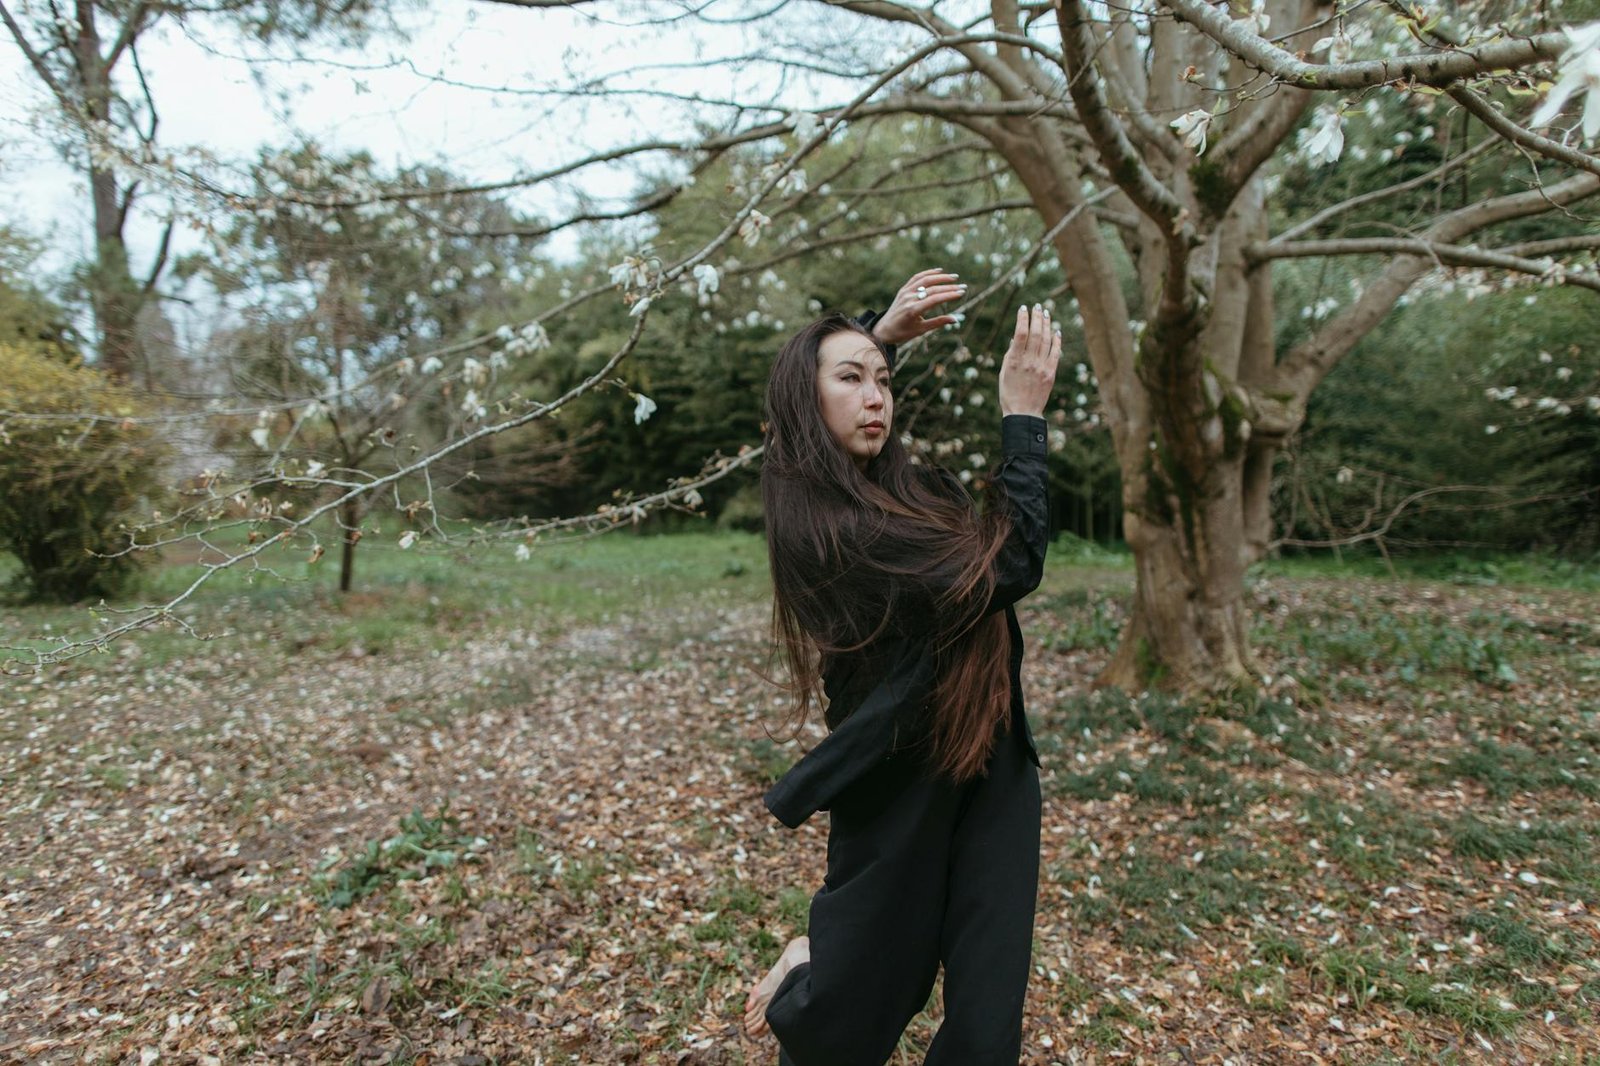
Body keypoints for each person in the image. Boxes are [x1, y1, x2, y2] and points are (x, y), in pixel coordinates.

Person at [743, 268, 1061, 1065]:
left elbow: (849, 414)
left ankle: (826, 948)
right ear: (804, 403)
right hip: (897, 776)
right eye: (850, 381)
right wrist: (1023, 418)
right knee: (856, 1003)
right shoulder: (824, 526)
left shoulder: (897, 491)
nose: (877, 396)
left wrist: (876, 341)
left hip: (990, 758)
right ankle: (812, 959)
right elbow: (1013, 562)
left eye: (884, 381)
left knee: (988, 1024)